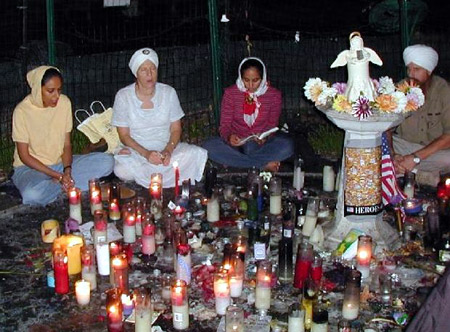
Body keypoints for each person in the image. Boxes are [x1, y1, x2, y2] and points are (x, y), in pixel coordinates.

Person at [12, 66, 114, 205]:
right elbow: (24, 156)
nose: (56, 96)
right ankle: (65, 185)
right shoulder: (22, 111)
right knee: (32, 195)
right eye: (50, 91)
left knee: (107, 162)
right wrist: (57, 176)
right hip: (31, 169)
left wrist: (67, 170)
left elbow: (66, 145)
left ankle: (58, 186)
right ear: (37, 89)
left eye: (59, 90)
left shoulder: (64, 103)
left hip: (59, 165)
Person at [112, 48, 208, 188]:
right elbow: (124, 135)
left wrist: (168, 151)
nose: (149, 74)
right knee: (122, 170)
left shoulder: (168, 93)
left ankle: (150, 176)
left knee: (195, 153)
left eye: (153, 69)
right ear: (136, 73)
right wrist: (146, 154)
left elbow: (176, 129)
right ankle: (160, 175)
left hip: (166, 150)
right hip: (137, 151)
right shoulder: (123, 96)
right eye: (143, 70)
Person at [203, 57, 294, 172]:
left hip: (260, 146)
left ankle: (237, 164)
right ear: (240, 77)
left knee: (287, 145)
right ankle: (261, 165)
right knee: (209, 146)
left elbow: (272, 125)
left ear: (263, 78)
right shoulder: (231, 94)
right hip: (236, 146)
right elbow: (225, 125)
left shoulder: (273, 95)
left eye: (255, 80)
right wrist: (229, 137)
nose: (250, 85)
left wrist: (265, 137)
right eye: (246, 80)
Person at [387, 45, 450, 186]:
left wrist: (415, 158)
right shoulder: (401, 88)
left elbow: (449, 136)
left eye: (417, 69)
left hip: (432, 150)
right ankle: (419, 175)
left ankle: (402, 170)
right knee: (374, 146)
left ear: (429, 70)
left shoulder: (444, 91)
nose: (411, 74)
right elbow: (386, 126)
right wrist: (392, 153)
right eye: (409, 68)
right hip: (403, 146)